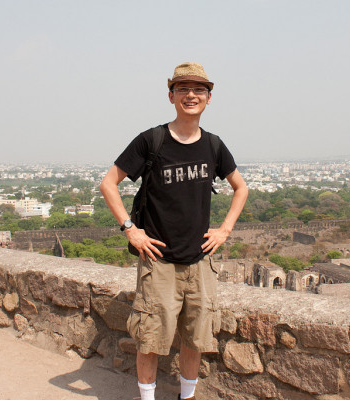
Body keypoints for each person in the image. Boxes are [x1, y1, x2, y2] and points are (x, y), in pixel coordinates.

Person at [99, 62, 248, 400]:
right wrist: (130, 229)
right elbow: (109, 183)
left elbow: (241, 188)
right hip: (160, 262)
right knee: (151, 340)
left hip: (199, 261)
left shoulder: (213, 145)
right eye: (183, 89)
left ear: (209, 98)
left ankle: (187, 396)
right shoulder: (152, 141)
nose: (191, 95)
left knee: (196, 338)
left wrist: (224, 230)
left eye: (198, 90)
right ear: (171, 96)